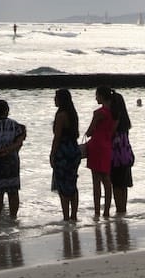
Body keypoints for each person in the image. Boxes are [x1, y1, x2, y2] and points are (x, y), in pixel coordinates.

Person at [85, 85, 117, 218]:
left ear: (102, 96)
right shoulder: (115, 113)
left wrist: (90, 129)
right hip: (107, 146)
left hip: (96, 146)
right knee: (107, 181)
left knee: (96, 182)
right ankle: (107, 211)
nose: (95, 97)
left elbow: (90, 131)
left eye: (97, 95)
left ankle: (97, 211)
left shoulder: (99, 113)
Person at [49, 88, 81, 221]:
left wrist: (52, 154)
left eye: (56, 97)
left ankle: (66, 216)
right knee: (72, 183)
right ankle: (74, 215)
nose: (54, 100)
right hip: (73, 149)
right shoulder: (72, 113)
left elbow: (57, 137)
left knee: (63, 185)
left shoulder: (61, 115)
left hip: (63, 151)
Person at [110, 91, 134, 214]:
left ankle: (119, 209)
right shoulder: (125, 120)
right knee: (123, 184)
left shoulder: (115, 119)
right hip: (126, 154)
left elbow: (110, 134)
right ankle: (122, 209)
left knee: (116, 184)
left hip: (116, 156)